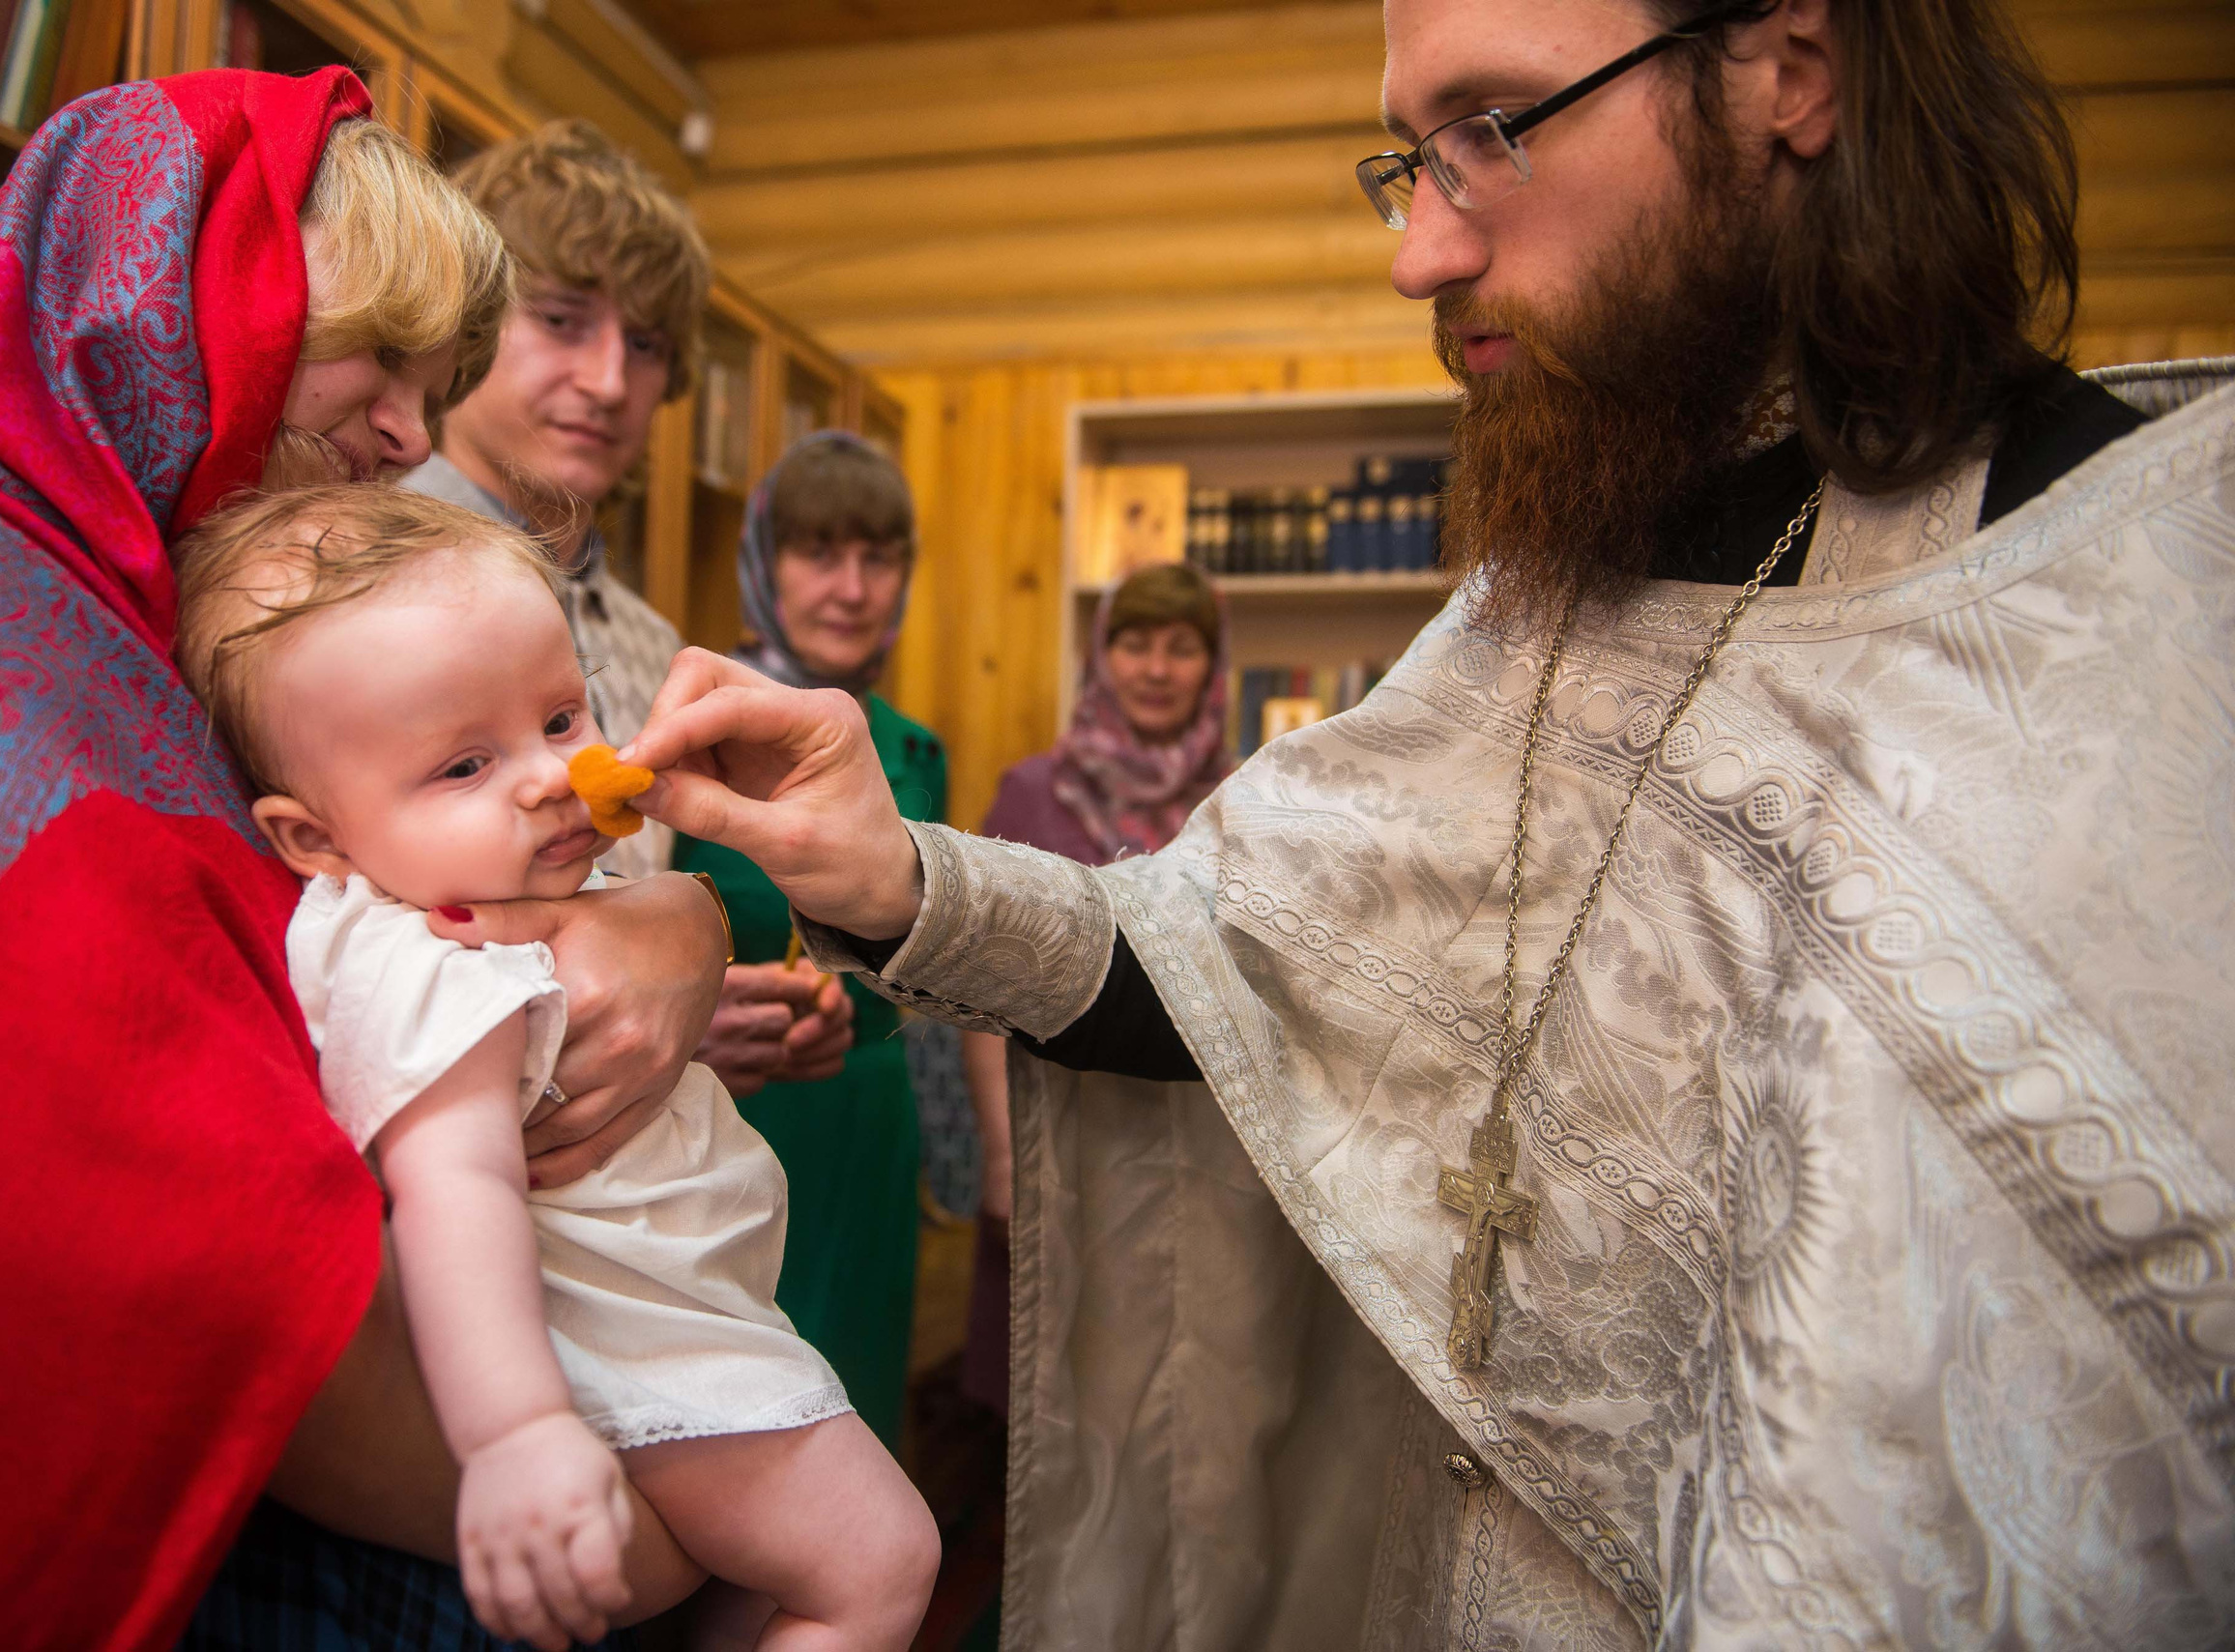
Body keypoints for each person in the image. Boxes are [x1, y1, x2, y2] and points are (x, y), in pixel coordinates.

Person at [618, 0, 2235, 1644]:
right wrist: (889, 871)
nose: (1419, 253)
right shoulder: (1530, 611)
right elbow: (1223, 956)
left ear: (1791, 73)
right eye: (1412, 156)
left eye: (1498, 130)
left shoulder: (2154, 604)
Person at [0, 71, 728, 1651]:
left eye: (441, 381)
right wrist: (633, 1526)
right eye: (382, 359)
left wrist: (667, 918)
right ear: (183, 289)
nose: (413, 432)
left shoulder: (139, 574)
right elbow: (165, 1236)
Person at [174, 484, 937, 1652]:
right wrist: (519, 1429)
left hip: (674, 1330)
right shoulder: (442, 959)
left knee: (745, 1593)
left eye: (563, 718)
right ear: (313, 838)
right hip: (624, 1358)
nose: (547, 777)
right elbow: (456, 1189)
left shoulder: (504, 903)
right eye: (464, 764)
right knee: (880, 1563)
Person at [403, 118, 855, 1118]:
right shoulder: (354, 578)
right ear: (463, 320)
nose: (609, 382)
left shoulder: (659, 646)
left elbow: (619, 909)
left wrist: (707, 999)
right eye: (562, 320)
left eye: (644, 345)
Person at [672, 431, 946, 1451]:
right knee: (732, 1426)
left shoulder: (918, 752)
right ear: (762, 561)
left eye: (878, 557)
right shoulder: (694, 729)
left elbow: (931, 956)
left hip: (868, 1120)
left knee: (858, 1410)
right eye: (818, 552)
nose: (850, 585)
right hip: (727, 1110)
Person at [961, 561, 1229, 1407]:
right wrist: (1002, 1156)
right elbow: (975, 986)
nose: (1155, 668)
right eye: (1134, 642)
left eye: (1182, 647)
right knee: (1052, 1390)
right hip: (1057, 1131)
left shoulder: (1244, 801)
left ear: (1215, 669)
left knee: (1184, 1397)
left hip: (1197, 1142)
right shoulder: (1033, 792)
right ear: (1100, 656)